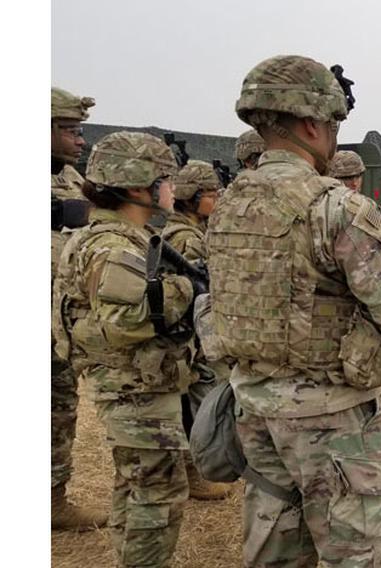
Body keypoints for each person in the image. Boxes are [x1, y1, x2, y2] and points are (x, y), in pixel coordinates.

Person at [206, 54, 381, 567]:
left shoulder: (229, 201)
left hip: (256, 410)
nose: (333, 137)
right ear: (311, 124)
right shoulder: (336, 207)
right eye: (332, 125)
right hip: (332, 421)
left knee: (278, 554)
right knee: (357, 554)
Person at [53, 131, 198, 566]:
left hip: (141, 385)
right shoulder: (111, 245)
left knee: (139, 488)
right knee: (154, 496)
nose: (173, 189)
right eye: (165, 179)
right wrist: (187, 291)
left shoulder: (124, 237)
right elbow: (126, 322)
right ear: (138, 187)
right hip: (133, 390)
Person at [50, 86, 108, 530]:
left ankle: (52, 499)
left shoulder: (71, 179)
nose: (80, 140)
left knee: (58, 408)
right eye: (70, 130)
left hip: (58, 319)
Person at [162, 159, 233, 501]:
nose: (217, 200)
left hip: (192, 334)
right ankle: (196, 473)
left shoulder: (191, 232)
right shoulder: (185, 239)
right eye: (211, 194)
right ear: (191, 197)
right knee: (195, 406)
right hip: (190, 336)